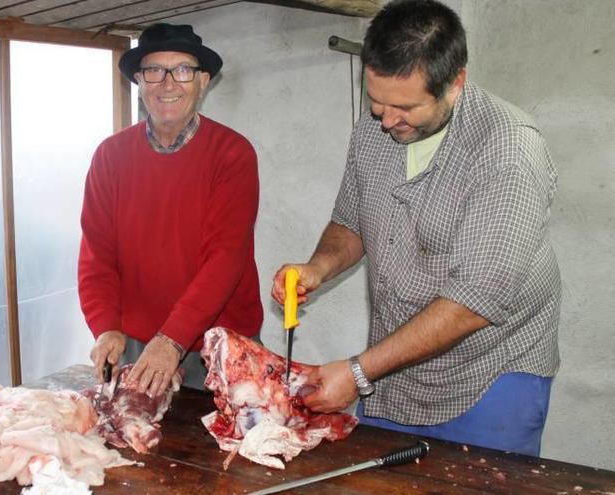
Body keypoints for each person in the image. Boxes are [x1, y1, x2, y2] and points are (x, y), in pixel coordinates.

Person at [272, 0, 560, 456]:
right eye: (376, 101)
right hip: (392, 368)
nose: (386, 120)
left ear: (455, 82)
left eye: (404, 107)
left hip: (489, 372)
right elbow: (351, 220)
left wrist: (359, 372)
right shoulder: (376, 128)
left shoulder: (508, 151)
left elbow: (475, 301)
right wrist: (318, 268)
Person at [79, 23, 263, 397]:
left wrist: (172, 339)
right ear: (139, 81)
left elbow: (225, 259)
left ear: (203, 81)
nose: (168, 83)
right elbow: (97, 253)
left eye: (182, 70)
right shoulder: (110, 156)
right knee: (138, 442)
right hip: (138, 341)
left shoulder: (232, 154)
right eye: (154, 71)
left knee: (232, 447)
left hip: (222, 341)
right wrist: (106, 326)